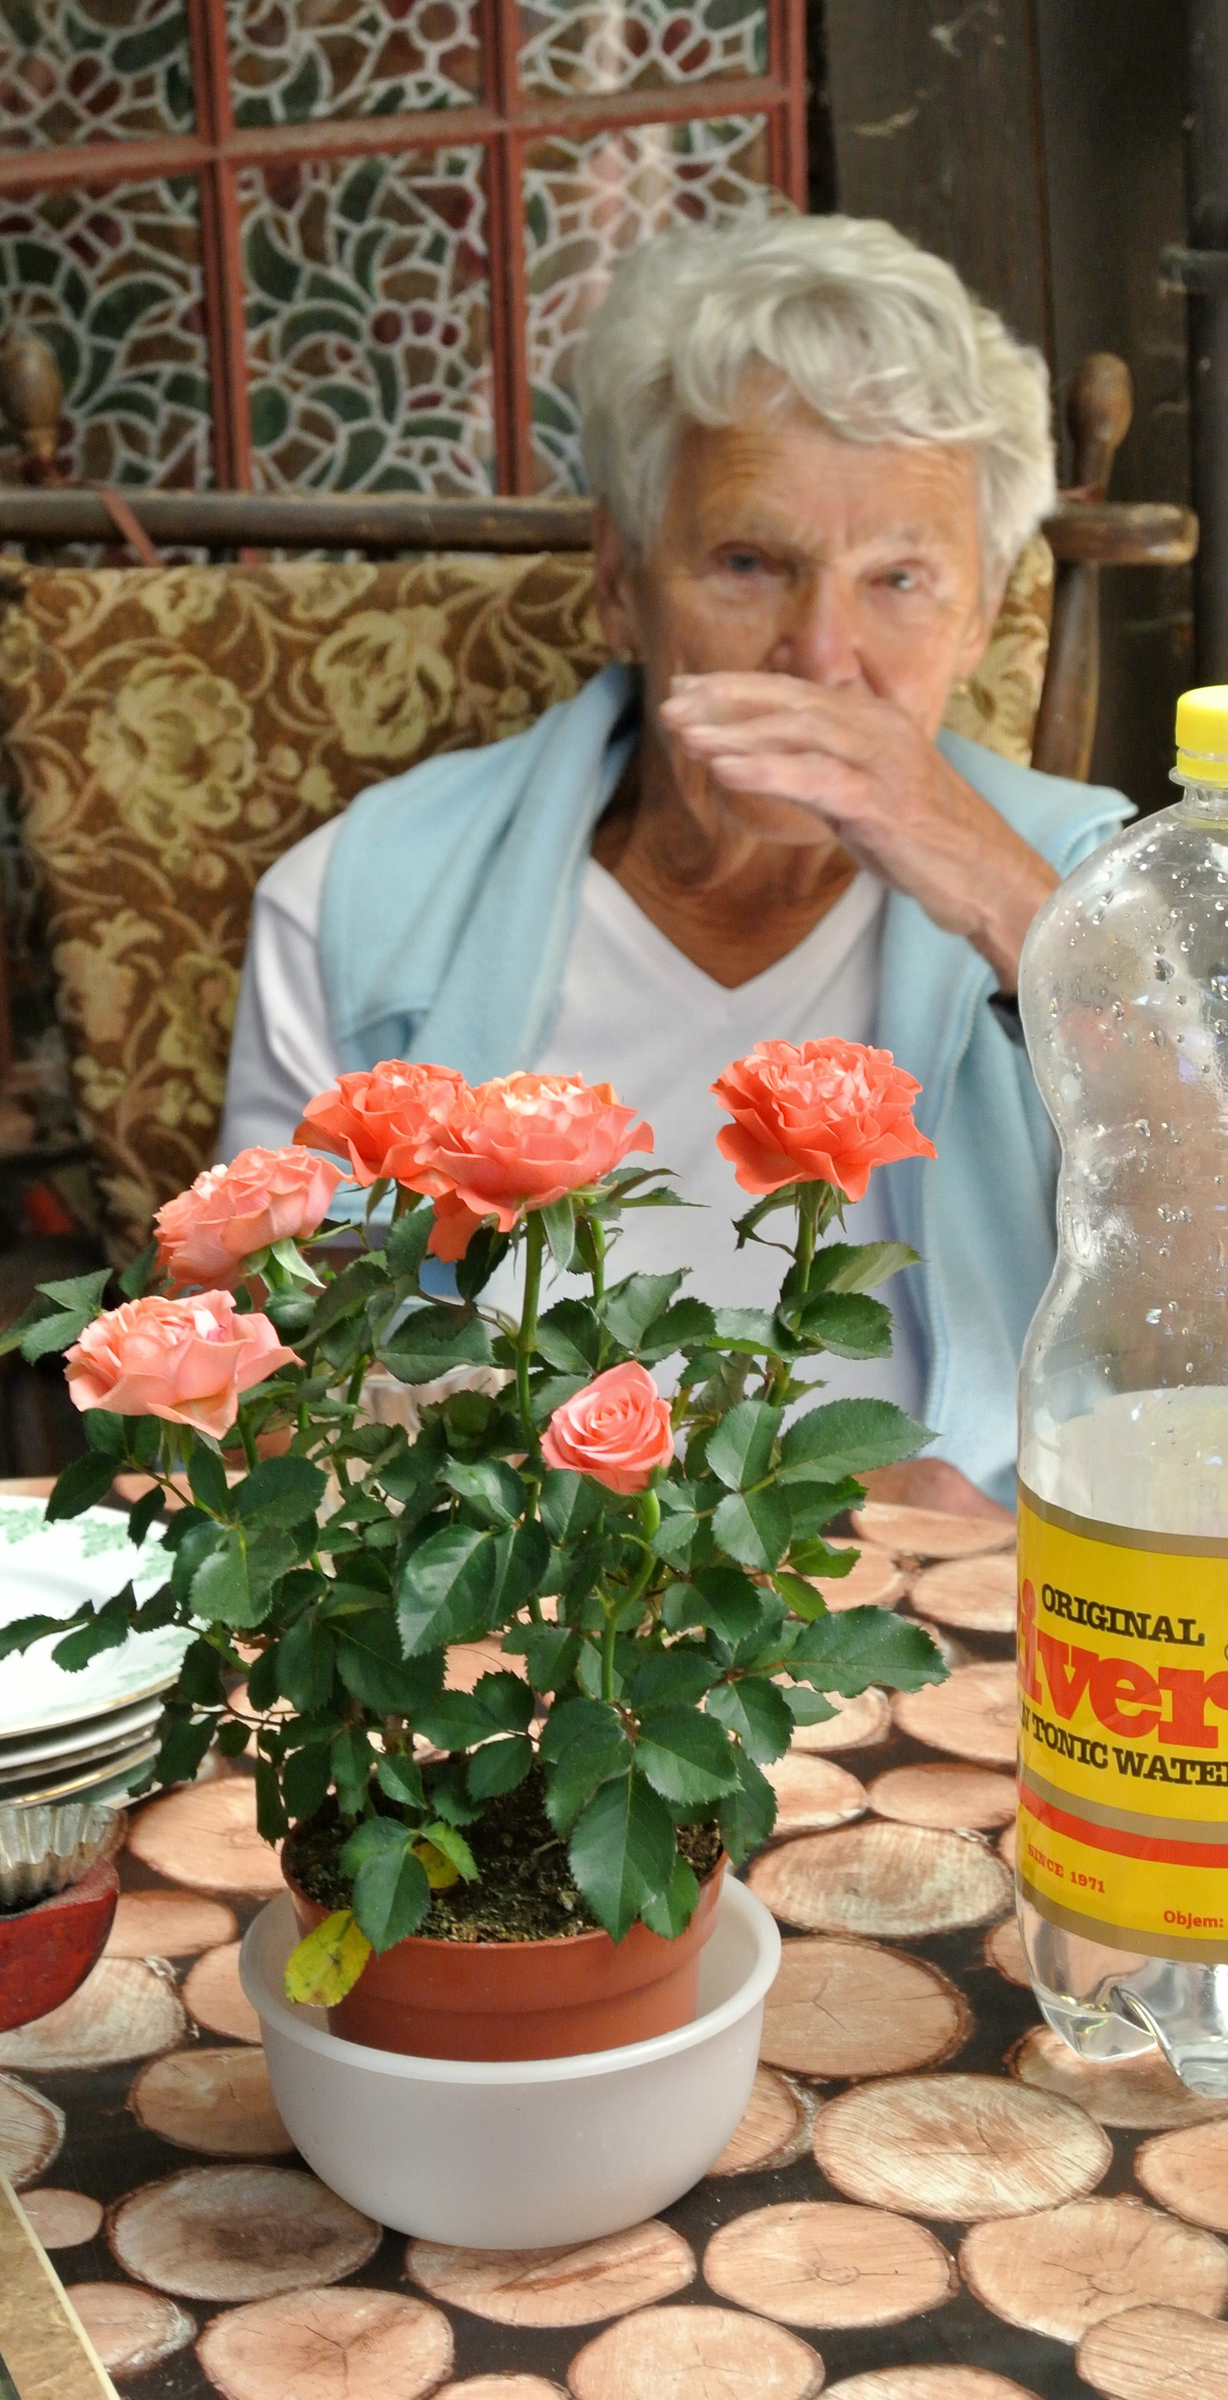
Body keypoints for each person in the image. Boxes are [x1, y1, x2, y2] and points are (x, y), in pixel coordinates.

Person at [220, 209, 1132, 1518]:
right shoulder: (361, 907)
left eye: (899, 580)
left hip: (979, 1603)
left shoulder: (1096, 898)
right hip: (508, 1601)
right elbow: (265, 1395)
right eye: (749, 564)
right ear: (620, 579)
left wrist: (1006, 903)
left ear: (983, 612)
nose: (821, 657)